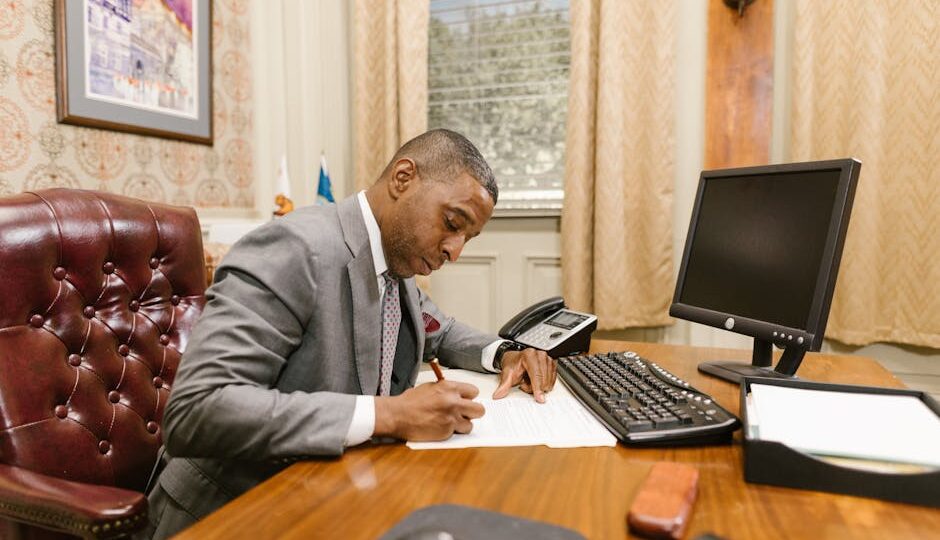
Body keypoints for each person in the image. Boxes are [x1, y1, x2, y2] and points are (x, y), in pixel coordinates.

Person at [144, 129, 556, 538]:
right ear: (403, 178)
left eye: (467, 236)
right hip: (231, 513)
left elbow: (440, 331)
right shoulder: (296, 248)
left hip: (333, 494)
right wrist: (391, 415)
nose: (455, 251)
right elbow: (196, 409)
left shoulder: (397, 266)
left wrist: (505, 353)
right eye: (451, 222)